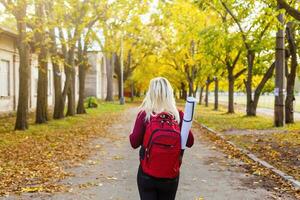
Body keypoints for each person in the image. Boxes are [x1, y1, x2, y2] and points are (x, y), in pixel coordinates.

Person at [129, 77, 194, 200]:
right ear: (169, 93)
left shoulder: (145, 113)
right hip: (170, 175)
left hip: (147, 174)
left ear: (150, 93)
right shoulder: (178, 115)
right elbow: (190, 142)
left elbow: (134, 143)